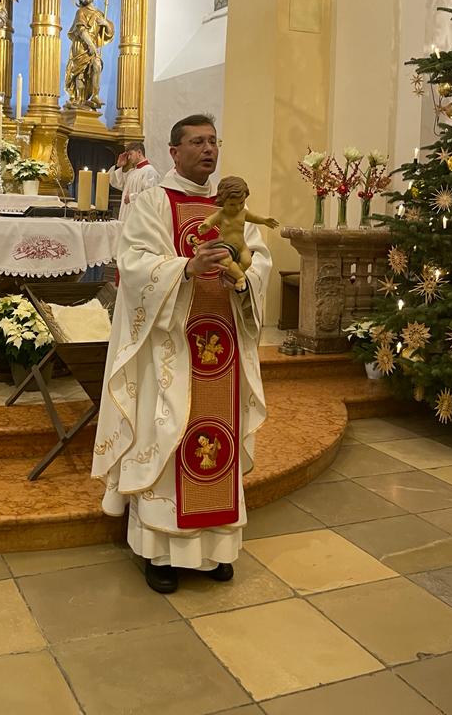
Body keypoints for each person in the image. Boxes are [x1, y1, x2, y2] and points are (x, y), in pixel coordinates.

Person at [92, 114, 272, 594]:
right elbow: (134, 264)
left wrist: (243, 277)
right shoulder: (154, 203)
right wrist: (186, 268)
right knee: (167, 436)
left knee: (217, 441)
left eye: (213, 141)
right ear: (174, 151)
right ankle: (160, 552)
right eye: (197, 142)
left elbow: (259, 260)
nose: (208, 149)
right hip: (170, 346)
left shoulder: (231, 206)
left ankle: (215, 549)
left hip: (222, 346)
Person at [107, 141, 160, 221]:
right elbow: (114, 181)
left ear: (139, 152)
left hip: (139, 220)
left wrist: (131, 197)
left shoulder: (150, 171)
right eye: (128, 155)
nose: (128, 158)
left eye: (130, 154)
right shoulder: (131, 172)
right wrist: (118, 165)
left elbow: (151, 196)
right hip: (126, 217)